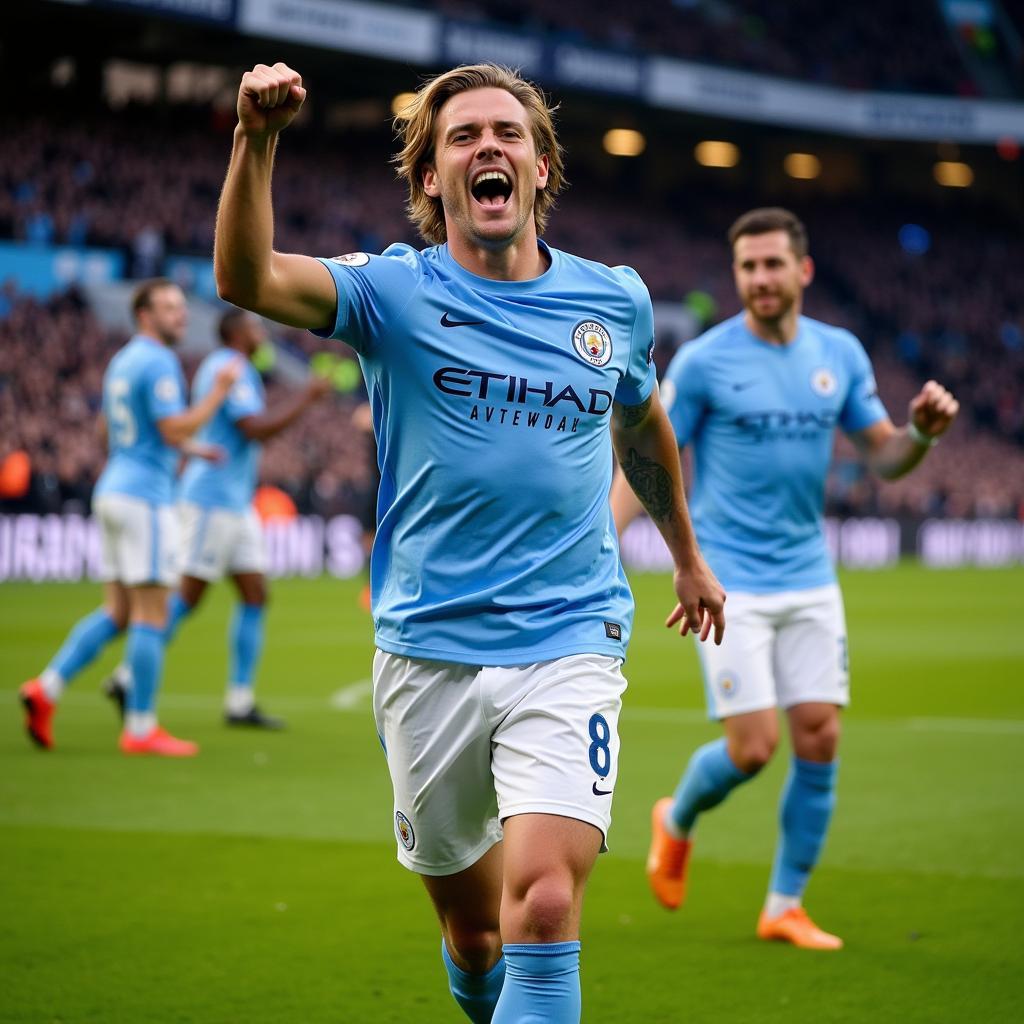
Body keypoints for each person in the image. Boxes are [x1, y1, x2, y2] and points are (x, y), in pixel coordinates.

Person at [214, 60, 725, 1023]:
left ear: (541, 169)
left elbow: (642, 422)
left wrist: (686, 555)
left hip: (570, 639)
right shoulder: (390, 295)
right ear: (429, 180)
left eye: (507, 134)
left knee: (541, 901)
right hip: (426, 652)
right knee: (474, 929)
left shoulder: (614, 301)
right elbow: (244, 277)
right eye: (461, 137)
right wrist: (258, 138)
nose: (487, 147)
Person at [611, 207, 959, 950]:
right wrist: (607, 538)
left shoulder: (840, 353)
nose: (760, 279)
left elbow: (883, 457)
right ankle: (675, 820)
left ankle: (784, 905)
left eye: (773, 265)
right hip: (729, 580)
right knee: (753, 748)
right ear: (737, 275)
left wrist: (922, 433)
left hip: (810, 578)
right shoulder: (704, 361)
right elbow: (644, 454)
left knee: (821, 737)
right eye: (747, 267)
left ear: (802, 270)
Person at [19, 278, 241, 756]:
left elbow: (110, 431)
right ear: (144, 315)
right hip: (144, 499)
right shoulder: (158, 361)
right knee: (151, 613)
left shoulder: (121, 361)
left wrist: (190, 449)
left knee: (117, 611)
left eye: (182, 308)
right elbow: (170, 424)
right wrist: (217, 393)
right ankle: (140, 727)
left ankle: (47, 688)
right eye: (169, 308)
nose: (181, 316)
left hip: (114, 491)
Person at [103, 308, 333, 729]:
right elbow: (252, 428)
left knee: (255, 593)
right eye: (255, 325)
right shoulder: (229, 367)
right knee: (188, 595)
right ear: (237, 332)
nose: (261, 331)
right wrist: (307, 397)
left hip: (233, 499)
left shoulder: (234, 367)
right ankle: (128, 675)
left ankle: (239, 702)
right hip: (211, 498)